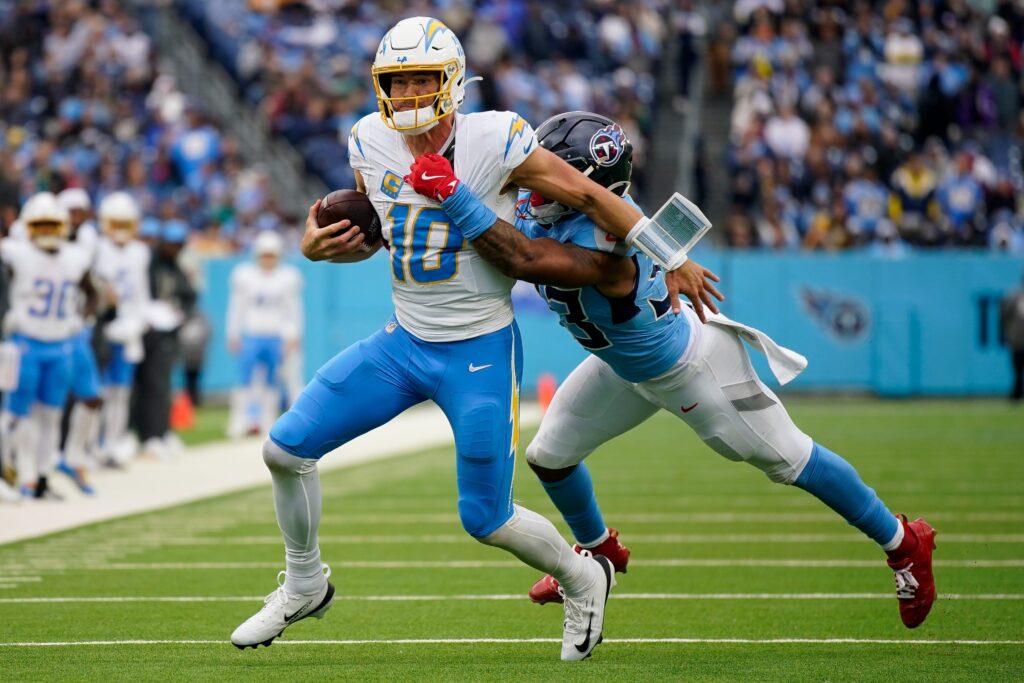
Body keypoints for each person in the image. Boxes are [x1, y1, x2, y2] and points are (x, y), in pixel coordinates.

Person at [230, 17, 720, 661]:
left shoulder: (498, 137)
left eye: (420, 80)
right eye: (395, 81)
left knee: (485, 519)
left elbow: (589, 195)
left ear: (453, 83)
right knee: (284, 451)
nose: (405, 95)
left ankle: (583, 576)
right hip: (403, 343)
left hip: (477, 350)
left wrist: (670, 253)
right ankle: (303, 581)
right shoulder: (367, 138)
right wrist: (313, 245)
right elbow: (382, 229)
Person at [402, 111, 937, 631]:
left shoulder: (608, 246)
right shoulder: (593, 213)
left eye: (554, 175)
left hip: (691, 371)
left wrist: (454, 195)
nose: (538, 185)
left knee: (792, 460)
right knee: (550, 456)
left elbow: (528, 261)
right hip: (623, 366)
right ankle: (600, 554)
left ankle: (904, 543)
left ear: (589, 188)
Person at [0, 192, 95, 499]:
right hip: (25, 341)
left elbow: (91, 291)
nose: (45, 233)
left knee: (51, 415)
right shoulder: (16, 253)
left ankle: (41, 477)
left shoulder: (74, 257)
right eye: (39, 226)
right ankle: (21, 474)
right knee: (17, 414)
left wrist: (83, 318)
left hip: (60, 344)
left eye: (50, 226)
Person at [92, 193, 151, 466]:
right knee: (97, 392)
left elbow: (141, 294)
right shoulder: (96, 248)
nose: (119, 229)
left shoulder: (139, 252)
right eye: (115, 222)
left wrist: (137, 327)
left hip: (127, 329)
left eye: (124, 223)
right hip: (103, 330)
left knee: (121, 392)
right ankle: (92, 445)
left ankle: (113, 444)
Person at [225, 231, 302, 438]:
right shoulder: (245, 275)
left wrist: (293, 334)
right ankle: (240, 420)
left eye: (271, 255)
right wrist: (233, 332)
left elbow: (293, 309)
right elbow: (236, 307)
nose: (267, 259)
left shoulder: (287, 277)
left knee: (271, 381)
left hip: (274, 334)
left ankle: (267, 420)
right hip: (251, 333)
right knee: (245, 380)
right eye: (264, 255)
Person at [131, 219, 195, 459]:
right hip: (143, 330)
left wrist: (180, 314)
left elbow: (189, 295)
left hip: (165, 333)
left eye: (178, 244)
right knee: (141, 385)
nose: (174, 248)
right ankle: (144, 435)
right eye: (170, 243)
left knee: (161, 385)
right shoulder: (148, 264)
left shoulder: (173, 266)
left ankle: (160, 432)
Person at [54, 188, 103, 493]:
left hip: (70, 332)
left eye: (79, 213)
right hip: (35, 335)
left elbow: (90, 290)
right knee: (33, 408)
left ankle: (72, 455)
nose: (74, 219)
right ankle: (27, 468)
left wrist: (84, 317)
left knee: (91, 396)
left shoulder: (80, 247)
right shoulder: (22, 246)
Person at [1001, 273, 1024, 401]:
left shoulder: (1014, 295)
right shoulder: (1014, 295)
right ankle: (1017, 393)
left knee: (1017, 370)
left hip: (1017, 339)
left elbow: (1004, 316)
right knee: (1017, 370)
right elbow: (1004, 315)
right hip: (1017, 340)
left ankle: (1016, 394)